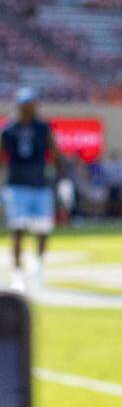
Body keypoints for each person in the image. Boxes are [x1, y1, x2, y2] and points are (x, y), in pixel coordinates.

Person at [1, 88, 61, 291]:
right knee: (17, 228)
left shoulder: (43, 128)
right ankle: (17, 274)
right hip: (17, 184)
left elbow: (54, 152)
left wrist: (57, 177)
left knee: (43, 229)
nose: (30, 108)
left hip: (39, 184)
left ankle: (39, 267)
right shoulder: (9, 129)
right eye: (26, 104)